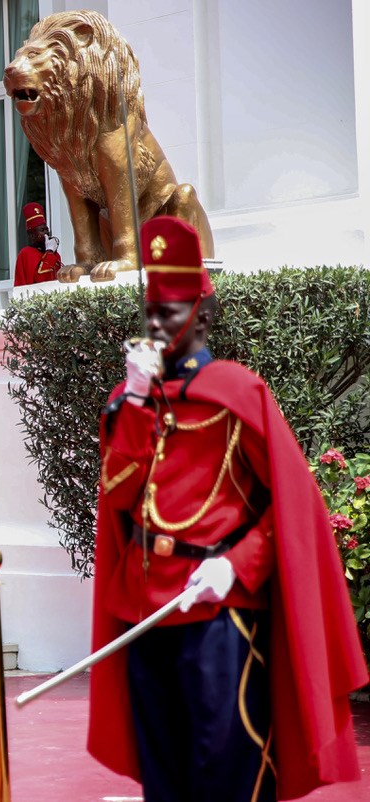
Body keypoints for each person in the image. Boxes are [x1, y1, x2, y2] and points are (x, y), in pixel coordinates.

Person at [89, 217, 367, 801]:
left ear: (203, 315)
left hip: (219, 610)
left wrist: (235, 566)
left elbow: (291, 514)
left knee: (227, 766)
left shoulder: (239, 393)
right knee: (163, 771)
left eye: (173, 310)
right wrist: (137, 402)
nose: (159, 323)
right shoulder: (129, 401)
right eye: (153, 311)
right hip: (145, 606)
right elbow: (117, 495)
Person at [12, 201, 62, 286]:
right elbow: (40, 279)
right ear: (32, 236)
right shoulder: (26, 253)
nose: (46, 233)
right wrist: (49, 252)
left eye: (46, 229)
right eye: (42, 230)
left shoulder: (54, 254)